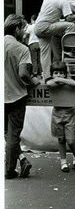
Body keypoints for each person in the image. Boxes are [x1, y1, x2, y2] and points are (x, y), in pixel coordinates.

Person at [4, 14, 40, 179]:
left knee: (6, 133)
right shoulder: (21, 48)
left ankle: (22, 159)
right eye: (24, 28)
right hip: (16, 95)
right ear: (17, 29)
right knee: (13, 135)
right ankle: (10, 170)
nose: (25, 32)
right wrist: (34, 82)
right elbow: (24, 74)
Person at [34, 0, 75, 79]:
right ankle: (69, 49)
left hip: (38, 27)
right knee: (70, 25)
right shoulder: (63, 0)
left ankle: (46, 77)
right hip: (46, 26)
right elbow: (69, 18)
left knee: (45, 55)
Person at [46, 61, 75, 172]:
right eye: (56, 73)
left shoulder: (68, 82)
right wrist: (58, 80)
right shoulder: (51, 81)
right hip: (57, 113)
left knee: (70, 141)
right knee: (61, 139)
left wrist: (59, 79)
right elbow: (49, 84)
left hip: (69, 113)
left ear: (65, 74)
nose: (59, 75)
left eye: (61, 73)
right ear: (52, 74)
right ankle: (63, 162)